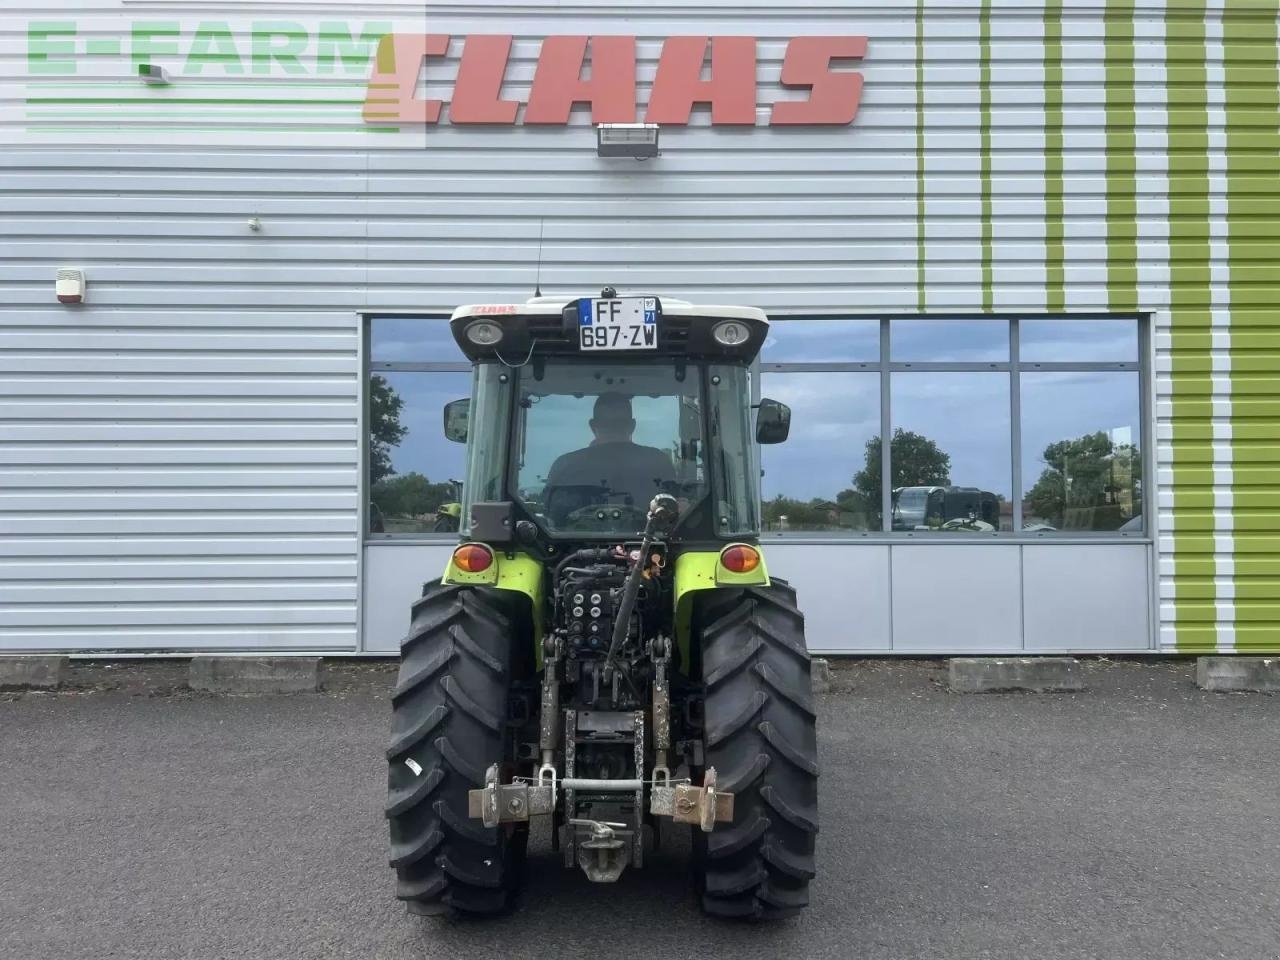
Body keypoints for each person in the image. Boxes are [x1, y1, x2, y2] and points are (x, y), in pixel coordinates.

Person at [543, 393, 676, 524]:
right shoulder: (658, 462)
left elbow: (553, 521)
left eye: (617, 423)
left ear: (593, 425)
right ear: (632, 425)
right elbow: (675, 514)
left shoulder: (565, 466)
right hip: (651, 544)